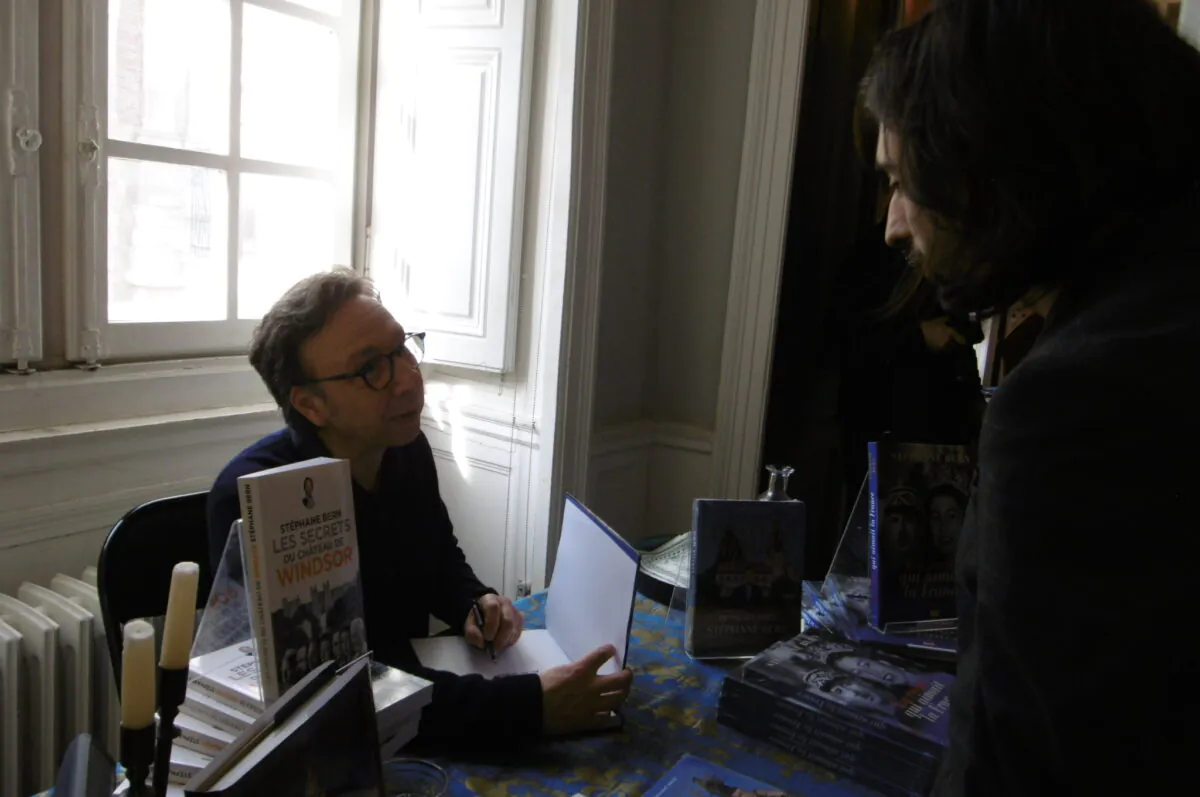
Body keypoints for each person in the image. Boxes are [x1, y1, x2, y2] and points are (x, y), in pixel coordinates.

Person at [859, 1, 1200, 793]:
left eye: (902, 182)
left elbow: (1016, 768)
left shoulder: (1075, 403)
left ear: (987, 162)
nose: (893, 225)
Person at [207, 270, 632, 747]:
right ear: (311, 405)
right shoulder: (257, 500)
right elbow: (337, 692)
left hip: (428, 706)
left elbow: (438, 559)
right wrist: (527, 707)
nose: (410, 379)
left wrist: (474, 602)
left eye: (403, 349)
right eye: (371, 369)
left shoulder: (404, 448)